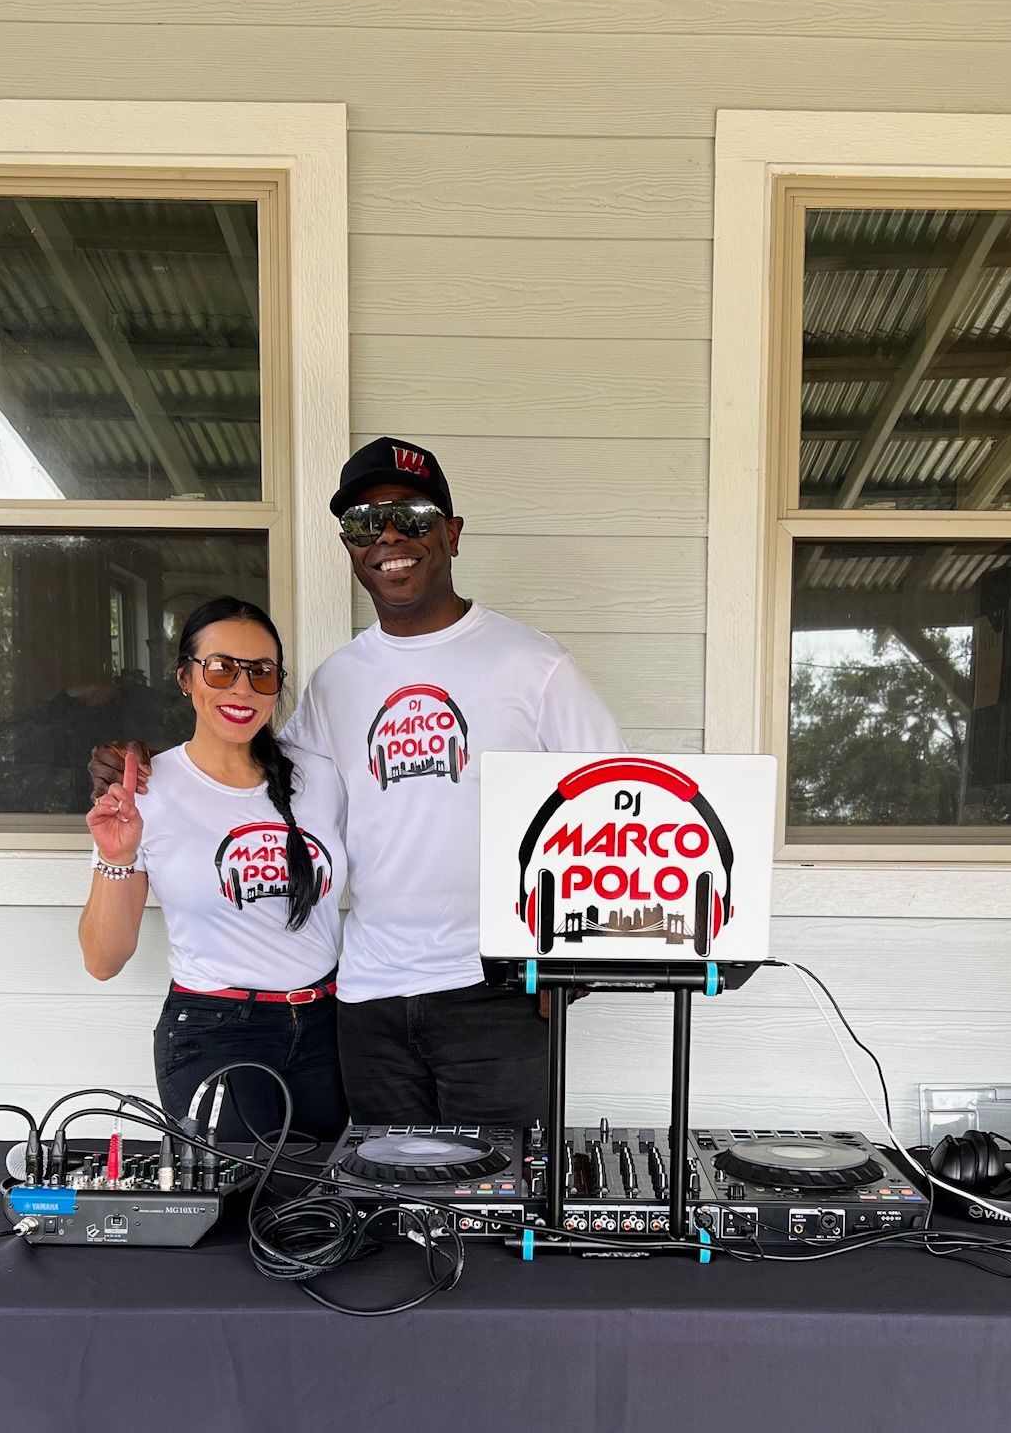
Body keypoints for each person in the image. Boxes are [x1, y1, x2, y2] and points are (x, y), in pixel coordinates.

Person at [92, 438, 622, 1128]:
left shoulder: (532, 663)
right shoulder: (336, 681)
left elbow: (616, 802)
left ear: (452, 534)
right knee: (386, 1205)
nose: (390, 536)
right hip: (366, 996)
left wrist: (572, 958)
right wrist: (142, 767)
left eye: (414, 516)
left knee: (497, 1206)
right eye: (365, 524)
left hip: (492, 989)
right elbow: (249, 776)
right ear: (350, 546)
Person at [81, 596, 348, 1143]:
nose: (242, 689)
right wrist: (116, 856)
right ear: (185, 678)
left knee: (323, 1210)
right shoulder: (146, 793)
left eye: (262, 672)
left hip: (328, 1028)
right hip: (215, 1032)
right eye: (221, 668)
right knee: (237, 1210)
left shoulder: (321, 779)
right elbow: (103, 960)